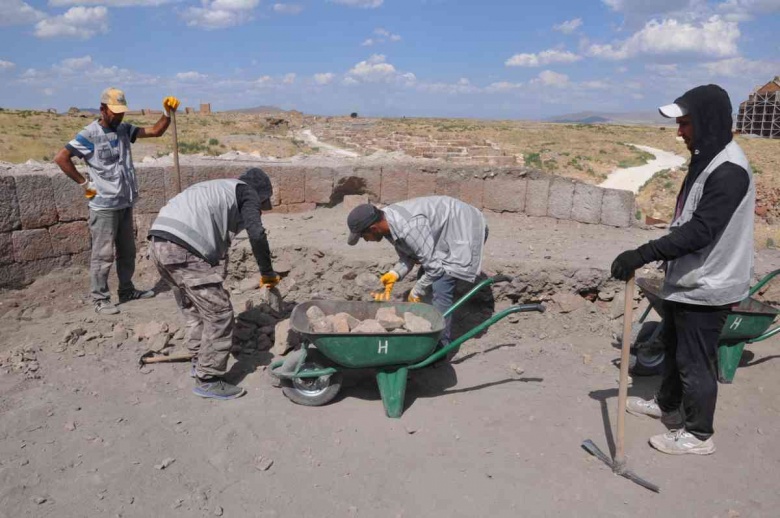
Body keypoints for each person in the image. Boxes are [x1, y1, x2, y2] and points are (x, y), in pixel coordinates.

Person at [611, 84, 755, 455]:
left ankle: (698, 435)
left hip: (709, 283)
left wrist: (643, 253)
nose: (679, 132)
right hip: (688, 279)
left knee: (695, 362)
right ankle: (667, 404)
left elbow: (701, 231)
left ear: (707, 122)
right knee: (675, 349)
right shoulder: (707, 158)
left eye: (686, 123)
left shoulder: (729, 170)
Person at [148, 168, 280, 400]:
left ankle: (199, 361)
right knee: (219, 314)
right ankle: (208, 379)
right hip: (182, 249)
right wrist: (267, 273)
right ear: (260, 194)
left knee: (195, 310)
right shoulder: (246, 192)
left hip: (159, 243)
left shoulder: (216, 189)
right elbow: (257, 234)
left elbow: (215, 244)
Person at [54, 87, 180, 315]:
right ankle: (100, 298)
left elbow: (154, 131)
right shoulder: (89, 134)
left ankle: (127, 290)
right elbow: (61, 158)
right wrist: (84, 184)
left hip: (124, 201)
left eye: (122, 112)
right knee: (102, 254)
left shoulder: (123, 129)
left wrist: (166, 113)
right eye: (115, 112)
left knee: (128, 251)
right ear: (103, 109)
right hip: (104, 206)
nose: (119, 116)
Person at [346, 195, 488, 356]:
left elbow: (434, 269)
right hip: (445, 227)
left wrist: (417, 290)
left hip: (465, 227)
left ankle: (440, 349)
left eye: (364, 236)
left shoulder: (409, 227)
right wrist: (395, 273)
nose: (365, 240)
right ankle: (426, 331)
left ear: (373, 228)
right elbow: (409, 255)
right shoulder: (386, 224)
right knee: (428, 278)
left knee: (440, 286)